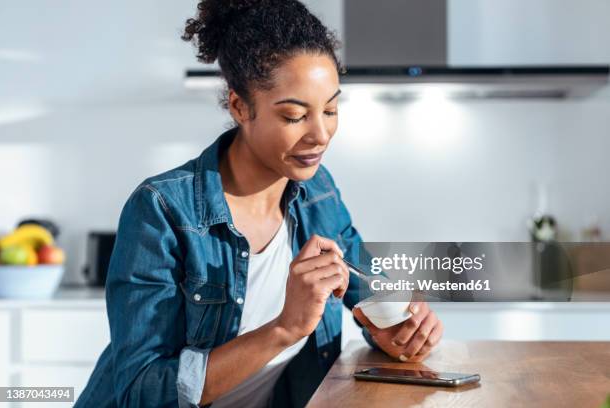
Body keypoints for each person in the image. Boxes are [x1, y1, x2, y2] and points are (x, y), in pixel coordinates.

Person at [75, 1, 443, 407]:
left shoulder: (318, 193)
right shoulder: (163, 211)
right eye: (293, 116)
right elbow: (141, 391)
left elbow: (368, 289)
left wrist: (393, 329)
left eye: (331, 109)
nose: (320, 134)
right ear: (239, 107)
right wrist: (285, 328)